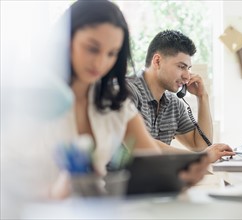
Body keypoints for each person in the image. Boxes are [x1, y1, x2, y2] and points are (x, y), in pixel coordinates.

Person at [37, 0, 213, 199]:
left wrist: (179, 179)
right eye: (92, 48)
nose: (101, 62)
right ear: (66, 40)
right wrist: (54, 194)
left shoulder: (115, 101)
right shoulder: (35, 97)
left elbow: (152, 160)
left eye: (112, 53)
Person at [126, 30, 235, 162]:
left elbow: (200, 145)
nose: (187, 76)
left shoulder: (173, 103)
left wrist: (202, 97)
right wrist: (200, 157)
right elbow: (139, 145)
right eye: (181, 67)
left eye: (188, 68)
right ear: (157, 61)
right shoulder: (127, 91)